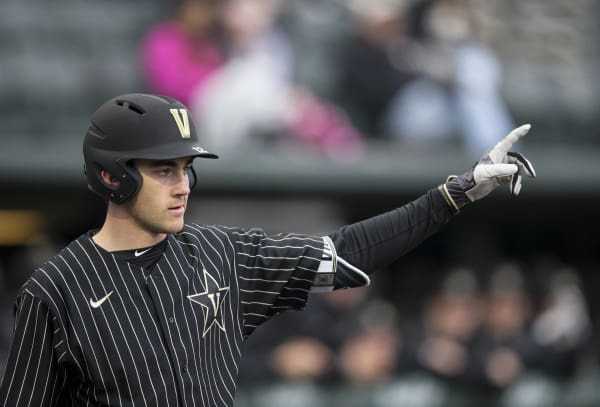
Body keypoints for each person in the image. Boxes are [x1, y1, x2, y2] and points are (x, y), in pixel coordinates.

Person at [0, 93, 535, 406]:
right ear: (111, 176)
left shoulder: (222, 254)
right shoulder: (55, 290)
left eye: (186, 168)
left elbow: (350, 251)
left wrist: (451, 196)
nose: (183, 184)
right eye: (164, 170)